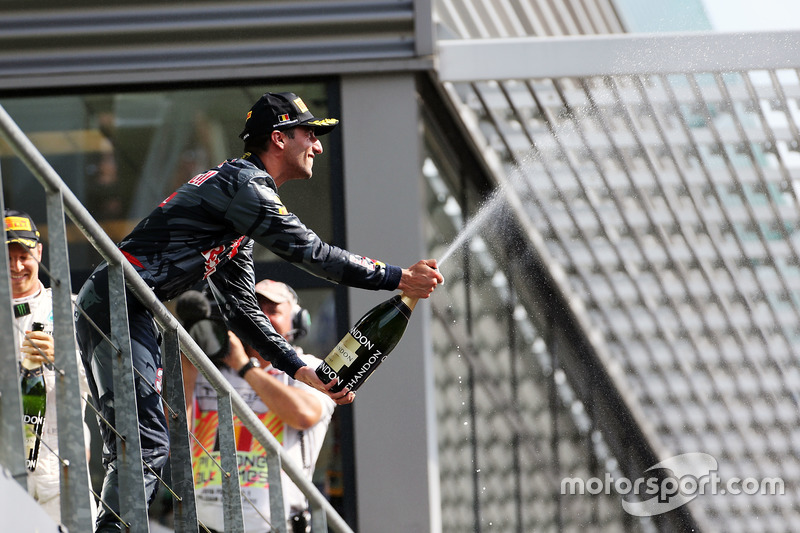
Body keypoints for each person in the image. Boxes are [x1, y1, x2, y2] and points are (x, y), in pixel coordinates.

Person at [74, 90, 443, 531]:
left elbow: (241, 311)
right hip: (117, 299)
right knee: (145, 442)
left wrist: (299, 370)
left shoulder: (238, 210)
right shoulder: (245, 187)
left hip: (127, 305)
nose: (318, 146)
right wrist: (399, 278)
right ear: (279, 138)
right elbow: (314, 254)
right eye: (310, 133)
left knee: (145, 440)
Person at [179, 279, 335, 532]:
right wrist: (188, 356)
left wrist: (244, 367)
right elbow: (173, 432)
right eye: (253, 308)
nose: (260, 317)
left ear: (296, 322)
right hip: (204, 526)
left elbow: (304, 415)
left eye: (272, 310)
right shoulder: (209, 371)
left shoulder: (309, 368)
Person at [6, 208, 96, 525]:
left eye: (24, 255)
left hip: (62, 468)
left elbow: (104, 386)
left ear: (39, 253)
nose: (16, 266)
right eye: (7, 256)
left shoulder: (71, 308)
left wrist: (63, 357)